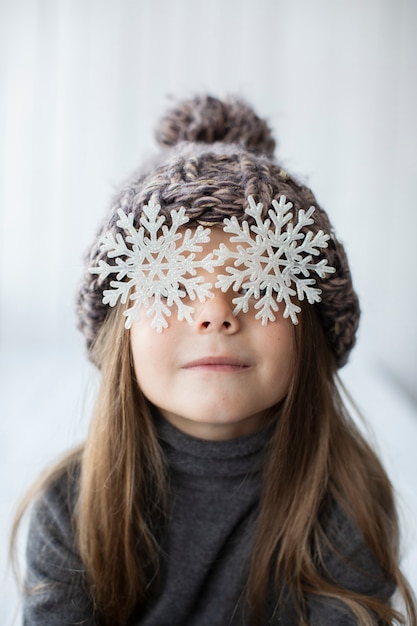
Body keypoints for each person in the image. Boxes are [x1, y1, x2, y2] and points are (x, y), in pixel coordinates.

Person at [13, 95, 416, 626]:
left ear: (310, 325)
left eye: (255, 282)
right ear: (121, 334)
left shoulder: (348, 503)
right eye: (172, 284)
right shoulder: (71, 511)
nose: (215, 315)